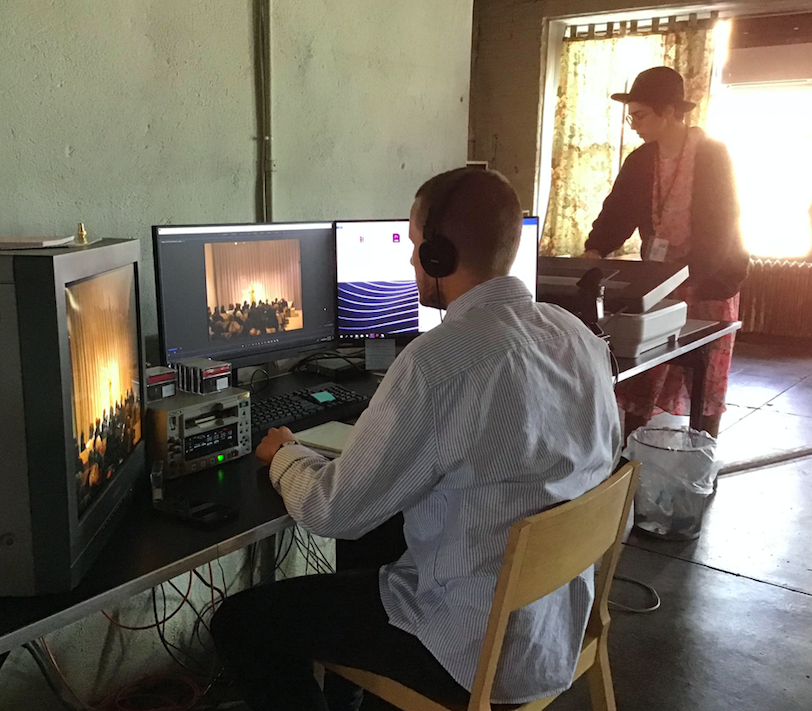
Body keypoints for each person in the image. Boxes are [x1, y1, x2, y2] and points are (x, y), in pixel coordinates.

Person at [210, 168, 620, 710]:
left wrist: (286, 454)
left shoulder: (436, 363)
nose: (409, 260)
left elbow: (332, 511)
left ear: (437, 255)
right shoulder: (578, 336)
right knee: (376, 539)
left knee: (241, 623)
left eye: (413, 243)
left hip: (467, 647)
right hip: (551, 626)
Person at [582, 66, 749, 438]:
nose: (634, 125)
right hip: (660, 280)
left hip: (709, 280)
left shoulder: (712, 155)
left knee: (706, 375)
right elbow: (617, 212)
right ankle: (630, 453)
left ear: (670, 112)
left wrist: (692, 275)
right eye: (631, 117)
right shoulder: (641, 160)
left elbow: (722, 223)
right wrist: (594, 250)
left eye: (640, 116)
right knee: (641, 370)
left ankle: (703, 445)